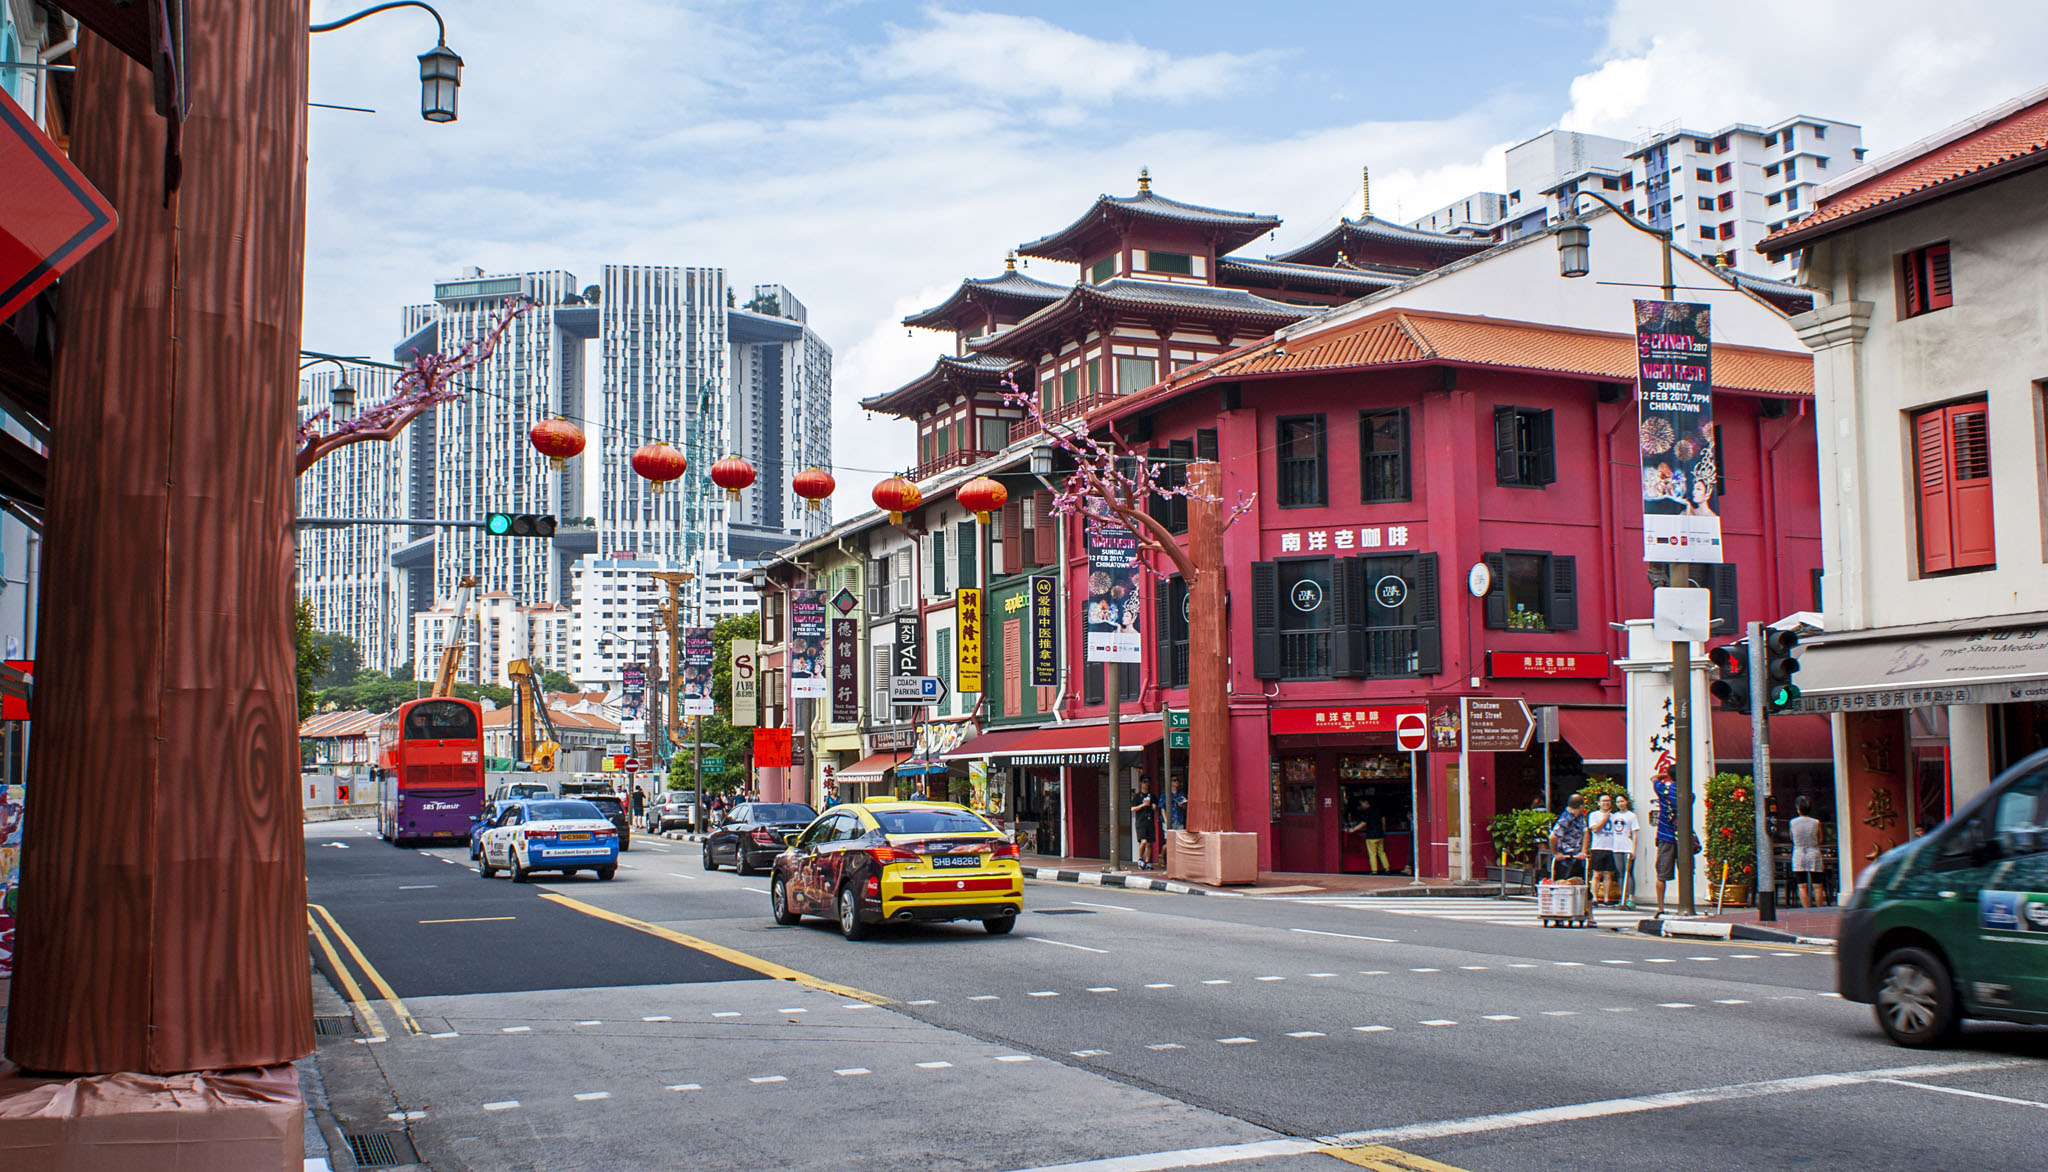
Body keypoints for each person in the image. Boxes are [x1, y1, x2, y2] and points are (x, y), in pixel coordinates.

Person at [1651, 759, 1694, 917]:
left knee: (1661, 875)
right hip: (1684, 838)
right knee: (1686, 872)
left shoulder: (1663, 790)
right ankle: (1685, 903)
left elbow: (1653, 779)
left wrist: (1663, 776)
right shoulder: (1689, 794)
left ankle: (1660, 907)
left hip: (1665, 837)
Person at [1790, 795, 1824, 909]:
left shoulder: (1793, 822)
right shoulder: (1816, 822)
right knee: (1818, 885)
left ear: (1798, 808)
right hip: (1813, 852)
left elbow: (1791, 837)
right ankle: (1819, 909)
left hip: (1799, 853)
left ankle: (1806, 909)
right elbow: (1820, 839)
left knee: (1802, 885)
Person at [1609, 793, 1641, 910]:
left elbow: (1635, 834)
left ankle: (1631, 898)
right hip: (1616, 848)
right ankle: (1623, 896)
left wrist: (1634, 850)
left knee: (1629, 872)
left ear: (1626, 802)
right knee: (1620, 873)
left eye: (1622, 801)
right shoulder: (1614, 816)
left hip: (1627, 848)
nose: (1620, 804)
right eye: (1618, 802)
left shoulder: (1631, 816)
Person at [1548, 794, 1589, 882]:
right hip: (1564, 857)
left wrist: (1584, 851)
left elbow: (1585, 832)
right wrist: (1556, 853)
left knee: (1578, 882)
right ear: (1581, 806)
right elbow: (1553, 836)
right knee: (1563, 883)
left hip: (1577, 856)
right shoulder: (1565, 818)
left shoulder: (1580, 816)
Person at [1345, 797, 1391, 875]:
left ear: (1366, 802)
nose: (1361, 806)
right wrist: (1383, 830)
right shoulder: (1378, 810)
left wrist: (1353, 829)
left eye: (1362, 804)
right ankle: (1387, 869)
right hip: (1380, 835)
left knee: (1372, 854)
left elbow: (1363, 823)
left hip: (1371, 835)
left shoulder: (1367, 812)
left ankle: (1374, 871)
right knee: (1381, 852)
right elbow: (1383, 819)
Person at [1586, 793, 1618, 904]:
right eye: (1603, 801)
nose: (1606, 803)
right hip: (1597, 847)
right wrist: (1605, 819)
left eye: (1608, 801)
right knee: (1597, 874)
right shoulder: (1594, 815)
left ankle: (1606, 898)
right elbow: (1595, 829)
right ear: (1599, 803)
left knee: (1608, 874)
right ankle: (1594, 898)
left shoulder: (1614, 816)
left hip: (1611, 848)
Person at [1131, 779, 1157, 870]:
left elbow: (1156, 806)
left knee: (1149, 843)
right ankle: (1140, 859)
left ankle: (1148, 862)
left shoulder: (1152, 796)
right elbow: (1133, 809)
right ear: (1141, 783)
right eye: (1144, 782)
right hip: (1141, 821)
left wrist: (1154, 807)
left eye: (1148, 782)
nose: (1146, 784)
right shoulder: (1137, 796)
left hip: (1150, 821)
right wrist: (1143, 805)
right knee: (1143, 841)